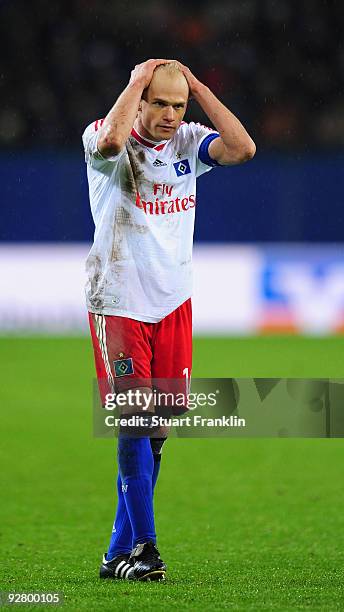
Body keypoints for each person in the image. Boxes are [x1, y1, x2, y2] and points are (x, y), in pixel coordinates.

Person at [82, 58, 255, 582]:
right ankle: (147, 548)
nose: (171, 115)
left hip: (173, 301)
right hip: (119, 301)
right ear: (140, 100)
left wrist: (199, 88)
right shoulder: (103, 136)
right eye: (161, 103)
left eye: (178, 106)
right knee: (134, 421)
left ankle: (119, 552)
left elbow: (243, 148)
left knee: (156, 430)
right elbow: (111, 144)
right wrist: (136, 82)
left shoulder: (189, 143)